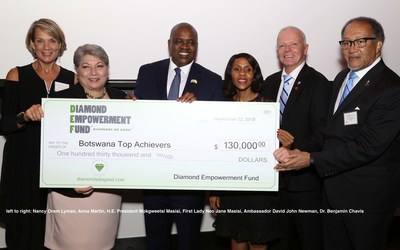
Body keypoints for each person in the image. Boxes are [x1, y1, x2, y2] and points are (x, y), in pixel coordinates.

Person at [274, 17, 400, 250]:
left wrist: (310, 158)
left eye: (360, 41)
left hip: (367, 200)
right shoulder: (342, 78)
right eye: (346, 43)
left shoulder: (392, 88)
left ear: (379, 45)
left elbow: (367, 147)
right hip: (332, 195)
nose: (352, 49)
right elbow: (331, 130)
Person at [134, 22, 224, 250]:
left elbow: (217, 131)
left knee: (189, 241)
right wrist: (130, 108)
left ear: (196, 46)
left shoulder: (212, 80)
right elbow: (139, 121)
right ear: (169, 44)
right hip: (153, 178)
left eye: (190, 42)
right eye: (179, 41)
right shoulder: (147, 72)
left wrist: (198, 110)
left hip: (190, 182)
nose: (185, 46)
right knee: (156, 241)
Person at [0, 18, 77, 249]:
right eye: (40, 41)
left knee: (52, 229)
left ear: (60, 45)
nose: (46, 47)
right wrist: (24, 116)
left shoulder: (71, 79)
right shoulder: (17, 75)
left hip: (55, 166)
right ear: (31, 45)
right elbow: (4, 124)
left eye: (52, 40)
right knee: (20, 229)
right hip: (21, 164)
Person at [44, 44, 126, 250]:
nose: (93, 72)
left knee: (102, 243)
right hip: (71, 191)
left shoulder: (122, 99)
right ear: (77, 71)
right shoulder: (59, 101)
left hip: (108, 190)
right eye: (86, 66)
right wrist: (69, 183)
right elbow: (50, 152)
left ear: (107, 69)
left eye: (99, 66)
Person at [209, 53, 293, 250]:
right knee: (236, 241)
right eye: (237, 68)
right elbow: (218, 153)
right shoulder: (222, 108)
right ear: (230, 73)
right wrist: (215, 190)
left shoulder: (269, 107)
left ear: (254, 74)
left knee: (258, 242)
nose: (242, 74)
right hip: (231, 189)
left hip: (260, 190)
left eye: (248, 69)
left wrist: (287, 146)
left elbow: (278, 149)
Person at [261, 26, 331, 250]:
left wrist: (293, 150)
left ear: (306, 48)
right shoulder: (269, 83)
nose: (287, 49)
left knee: (310, 242)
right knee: (278, 243)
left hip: (305, 185)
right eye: (282, 45)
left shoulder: (319, 83)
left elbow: (321, 134)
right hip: (273, 183)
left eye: (293, 44)